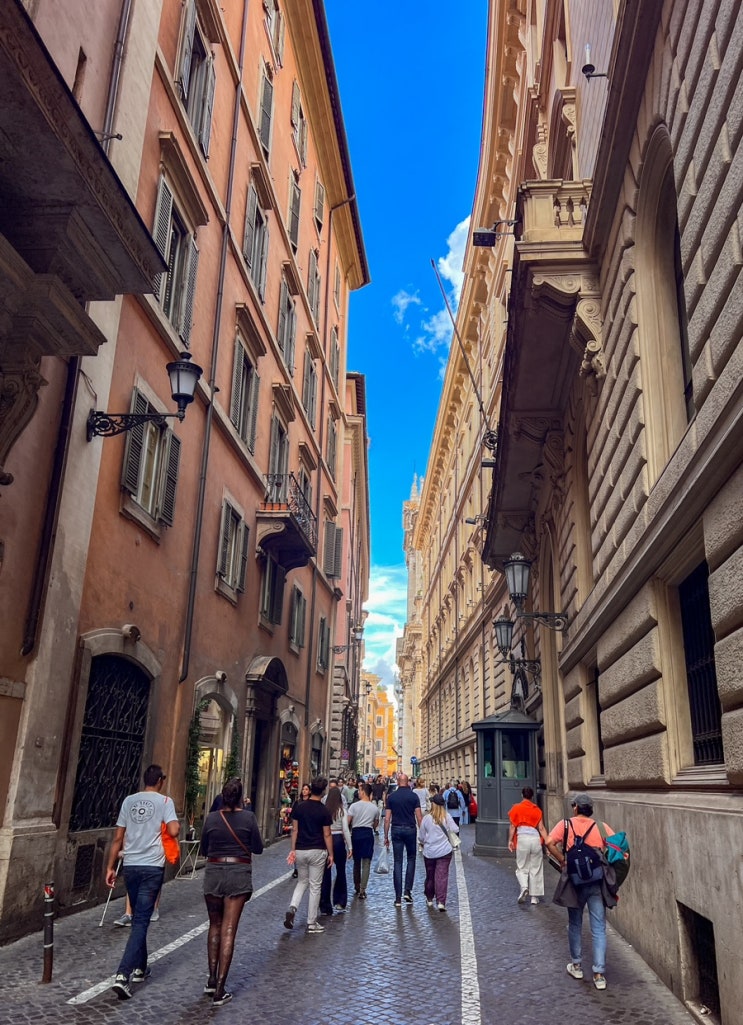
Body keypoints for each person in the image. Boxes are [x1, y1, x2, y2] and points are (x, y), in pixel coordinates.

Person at [105, 764, 179, 1000]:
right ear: (160, 781)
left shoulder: (128, 801)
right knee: (140, 922)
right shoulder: (165, 802)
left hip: (130, 866)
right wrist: (167, 827)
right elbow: (175, 830)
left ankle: (140, 968)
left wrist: (109, 867)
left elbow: (118, 837)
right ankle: (122, 975)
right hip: (151, 868)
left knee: (140, 916)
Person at [199, 778, 263, 1006]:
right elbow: (258, 847)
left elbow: (203, 849)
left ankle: (211, 978)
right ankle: (220, 989)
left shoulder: (212, 818)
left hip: (214, 872)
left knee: (214, 925)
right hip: (237, 873)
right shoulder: (249, 817)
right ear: (239, 797)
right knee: (228, 929)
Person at [545, 793, 616, 992]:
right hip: (596, 882)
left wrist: (563, 860)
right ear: (590, 809)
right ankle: (599, 974)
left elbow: (549, 842)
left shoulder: (566, 825)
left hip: (574, 881)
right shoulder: (601, 827)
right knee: (599, 927)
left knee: (575, 923)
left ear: (575, 807)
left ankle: (576, 965)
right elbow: (617, 848)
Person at [284, 776, 333, 933]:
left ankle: (293, 906)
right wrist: (331, 854)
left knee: (302, 881)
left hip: (300, 849)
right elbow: (327, 834)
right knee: (315, 886)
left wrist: (293, 849)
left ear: (310, 789)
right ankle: (311, 922)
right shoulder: (324, 811)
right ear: (323, 792)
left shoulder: (300, 807)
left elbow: (295, 830)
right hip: (317, 850)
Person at [384, 772, 422, 906]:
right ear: (407, 782)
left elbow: (387, 818)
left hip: (396, 829)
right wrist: (422, 835)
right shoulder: (413, 796)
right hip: (411, 829)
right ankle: (407, 891)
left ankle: (397, 898)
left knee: (398, 862)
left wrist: (385, 836)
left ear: (398, 782)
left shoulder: (392, 797)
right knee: (411, 859)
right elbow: (419, 817)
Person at [507, 786, 549, 905]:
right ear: (532, 797)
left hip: (522, 839)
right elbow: (541, 828)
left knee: (522, 866)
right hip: (535, 839)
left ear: (522, 795)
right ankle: (534, 897)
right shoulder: (537, 810)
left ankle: (524, 886)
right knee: (536, 867)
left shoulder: (516, 808)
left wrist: (510, 840)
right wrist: (548, 843)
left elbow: (512, 826)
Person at [418, 793, 459, 912]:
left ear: (433, 804)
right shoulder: (447, 816)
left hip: (429, 852)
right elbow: (456, 829)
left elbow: (421, 836)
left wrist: (423, 841)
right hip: (444, 851)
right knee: (442, 876)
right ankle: (441, 901)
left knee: (430, 876)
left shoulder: (426, 818)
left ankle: (429, 898)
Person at [319, 786, 352, 913]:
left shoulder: (324, 810)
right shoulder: (342, 810)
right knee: (341, 871)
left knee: (325, 872)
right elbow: (345, 829)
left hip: (326, 839)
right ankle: (340, 901)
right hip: (338, 839)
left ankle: (325, 904)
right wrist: (350, 846)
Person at [347, 782, 379, 898]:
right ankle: (363, 889)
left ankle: (357, 885)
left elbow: (348, 822)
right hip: (367, 833)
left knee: (356, 862)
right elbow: (375, 825)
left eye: (359, 790)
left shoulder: (354, 806)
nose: (358, 793)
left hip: (356, 833)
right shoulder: (374, 808)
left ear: (363, 792)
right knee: (366, 862)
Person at [290, 783, 311, 878]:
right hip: (299, 828)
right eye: (303, 789)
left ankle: (306, 867)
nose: (304, 791)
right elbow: (293, 816)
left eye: (306, 789)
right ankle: (296, 868)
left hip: (308, 829)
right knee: (295, 848)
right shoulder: (297, 803)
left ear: (309, 791)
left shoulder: (312, 803)